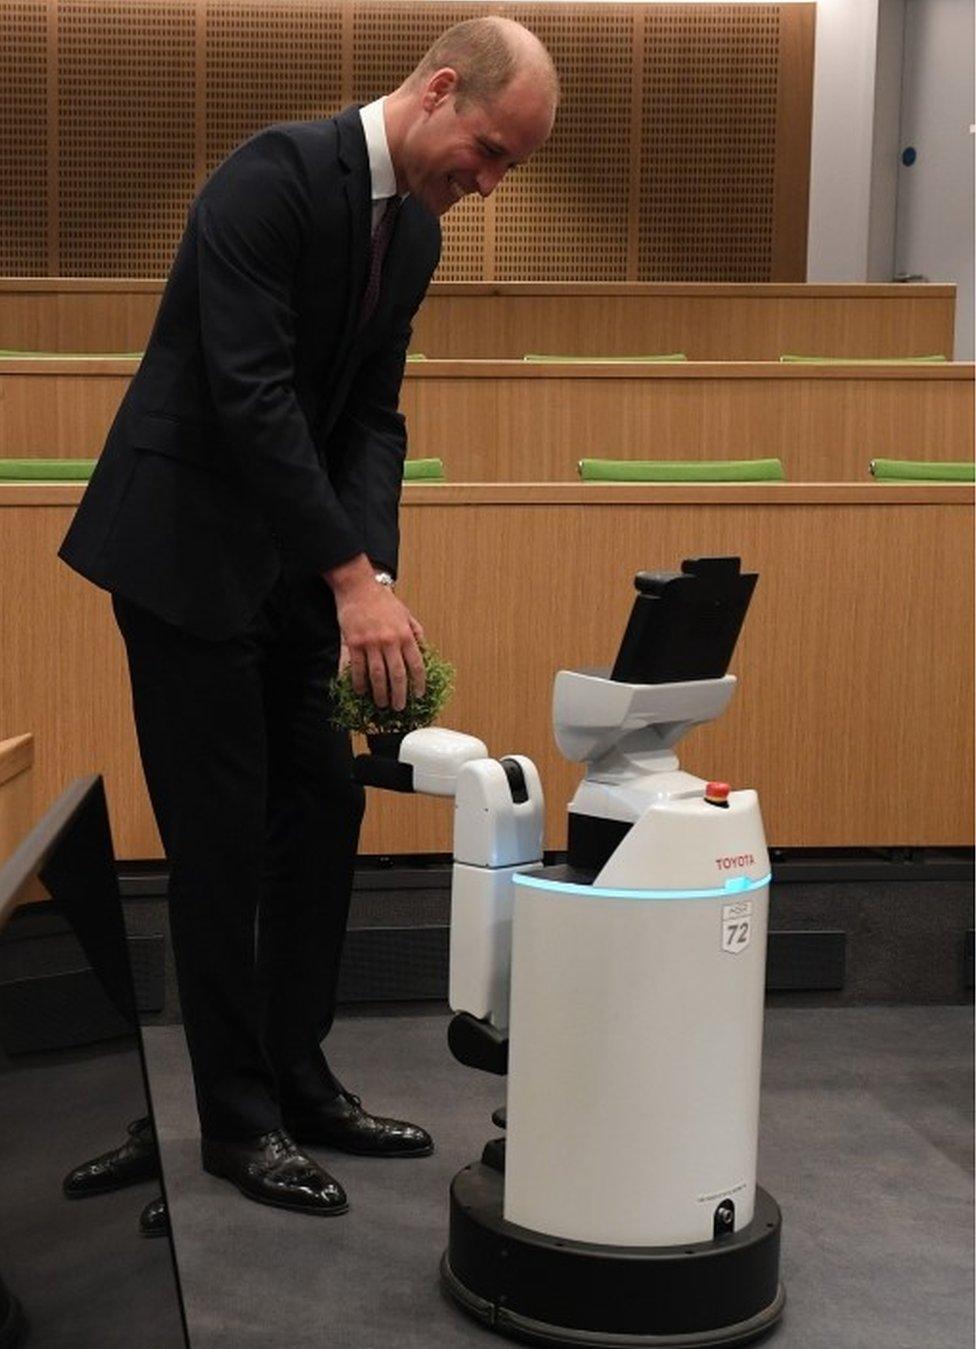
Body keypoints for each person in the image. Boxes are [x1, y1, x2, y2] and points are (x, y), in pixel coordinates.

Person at [59, 18, 558, 1219]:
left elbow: (369, 415)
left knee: (323, 805)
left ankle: (298, 1074)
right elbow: (250, 391)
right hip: (181, 549)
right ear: (441, 89)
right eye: (487, 151)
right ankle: (234, 1119)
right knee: (221, 832)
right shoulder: (270, 176)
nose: (486, 186)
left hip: (290, 560)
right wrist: (346, 576)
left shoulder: (418, 232)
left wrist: (367, 573)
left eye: (507, 172)